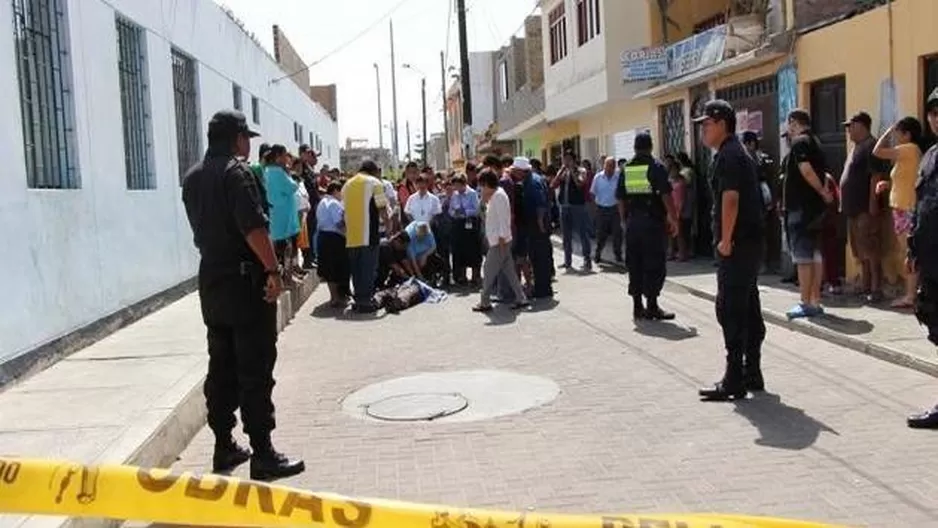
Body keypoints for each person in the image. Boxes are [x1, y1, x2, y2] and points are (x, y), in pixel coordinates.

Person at [181, 110, 304, 480]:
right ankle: (263, 453)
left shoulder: (193, 178)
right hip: (245, 282)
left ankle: (223, 445)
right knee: (254, 367)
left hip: (212, 281)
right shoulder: (239, 173)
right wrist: (271, 270)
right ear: (237, 139)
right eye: (245, 138)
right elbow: (253, 228)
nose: (248, 145)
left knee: (221, 366)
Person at [693, 100, 767, 401]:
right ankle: (752, 372)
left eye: (706, 125)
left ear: (722, 123)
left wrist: (725, 239)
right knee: (748, 307)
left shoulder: (729, 155)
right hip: (749, 243)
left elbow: (731, 199)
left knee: (731, 309)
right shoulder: (736, 152)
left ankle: (735, 377)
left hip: (737, 246)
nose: (702, 131)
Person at [617, 133, 679, 320]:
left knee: (635, 263)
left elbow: (620, 198)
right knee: (654, 262)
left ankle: (637, 306)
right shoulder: (656, 167)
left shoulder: (627, 168)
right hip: (652, 223)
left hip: (633, 223)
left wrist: (623, 220)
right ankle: (651, 305)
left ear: (635, 148)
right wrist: (673, 219)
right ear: (651, 147)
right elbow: (666, 196)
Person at [904, 88, 938, 428]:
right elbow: (921, 205)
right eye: (934, 112)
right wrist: (913, 248)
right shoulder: (930, 156)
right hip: (931, 259)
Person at [783, 109, 834, 319]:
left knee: (803, 257)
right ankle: (815, 300)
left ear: (794, 122)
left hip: (801, 207)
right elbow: (825, 173)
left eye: (789, 124)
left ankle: (805, 302)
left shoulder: (800, 142)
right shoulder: (816, 142)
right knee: (814, 254)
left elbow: (806, 170)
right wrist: (824, 193)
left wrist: (822, 191)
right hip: (814, 208)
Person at [873, 116, 925, 308]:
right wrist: (888, 184)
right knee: (907, 251)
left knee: (909, 252)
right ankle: (912, 292)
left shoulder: (909, 149)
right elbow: (907, 179)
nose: (895, 136)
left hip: (906, 207)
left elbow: (877, 151)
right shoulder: (908, 153)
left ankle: (911, 295)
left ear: (907, 134)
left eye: (898, 133)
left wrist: (886, 131)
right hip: (903, 206)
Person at [841, 111, 890, 303]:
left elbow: (875, 176)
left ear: (861, 126)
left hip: (865, 208)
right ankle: (865, 283)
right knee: (859, 248)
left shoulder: (871, 146)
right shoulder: (856, 147)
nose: (848, 131)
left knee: (871, 246)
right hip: (852, 208)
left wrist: (872, 204)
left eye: (850, 126)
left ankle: (876, 286)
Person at [474, 168, 530, 312]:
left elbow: (503, 221)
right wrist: (483, 200)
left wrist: (501, 242)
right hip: (500, 241)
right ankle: (521, 297)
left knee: (488, 270)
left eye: (482, 186)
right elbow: (486, 216)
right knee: (510, 271)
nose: (481, 189)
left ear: (487, 184)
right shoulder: (494, 197)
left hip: (500, 242)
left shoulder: (499, 196)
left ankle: (484, 301)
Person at [342, 160, 389, 313]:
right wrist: (388, 226)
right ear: (374, 171)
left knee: (356, 269)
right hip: (369, 234)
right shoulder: (375, 183)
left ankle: (358, 298)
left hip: (351, 235)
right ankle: (366, 300)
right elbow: (382, 208)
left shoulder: (347, 184)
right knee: (369, 268)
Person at [516, 157, 554, 299]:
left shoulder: (533, 182)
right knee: (537, 257)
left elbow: (540, 204)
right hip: (535, 225)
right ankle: (541, 287)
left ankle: (543, 289)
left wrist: (539, 222)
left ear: (522, 171)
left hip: (537, 226)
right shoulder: (533, 179)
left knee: (540, 258)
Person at [742, 131, 780, 273]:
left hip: (756, 202)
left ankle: (760, 263)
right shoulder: (759, 158)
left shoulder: (752, 159)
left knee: (757, 234)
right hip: (761, 202)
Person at [263, 145, 301, 282]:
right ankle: (287, 278)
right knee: (286, 249)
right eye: (285, 155)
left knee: (278, 249)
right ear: (278, 156)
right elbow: (292, 187)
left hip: (275, 215)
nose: (287, 158)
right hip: (283, 216)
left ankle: (285, 277)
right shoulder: (278, 172)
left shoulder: (266, 171)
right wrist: (290, 174)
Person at [552, 151, 592, 271]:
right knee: (566, 235)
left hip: (578, 207)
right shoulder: (563, 172)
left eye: (569, 159)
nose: (566, 162)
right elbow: (553, 184)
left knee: (582, 233)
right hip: (564, 206)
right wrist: (560, 172)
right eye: (565, 159)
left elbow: (580, 184)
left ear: (574, 160)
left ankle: (587, 259)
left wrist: (573, 171)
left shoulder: (581, 171)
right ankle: (567, 261)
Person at [316, 181, 349, 307]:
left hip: (323, 237)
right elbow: (339, 223)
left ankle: (333, 297)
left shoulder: (322, 203)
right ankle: (337, 298)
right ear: (336, 190)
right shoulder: (334, 203)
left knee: (329, 269)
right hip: (335, 238)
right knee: (337, 267)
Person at [449, 174, 483, 285]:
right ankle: (462, 276)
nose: (457, 189)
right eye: (455, 186)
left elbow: (477, 209)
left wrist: (465, 212)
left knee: (473, 250)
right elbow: (450, 210)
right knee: (460, 251)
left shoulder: (472, 193)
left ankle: (475, 277)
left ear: (463, 184)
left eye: (458, 186)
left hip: (470, 224)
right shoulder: (454, 195)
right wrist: (455, 213)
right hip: (458, 224)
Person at [591, 157, 624, 264]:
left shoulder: (618, 177)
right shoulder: (598, 177)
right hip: (601, 208)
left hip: (615, 209)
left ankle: (618, 255)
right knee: (601, 234)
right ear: (604, 165)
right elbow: (592, 193)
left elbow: (622, 194)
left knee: (617, 233)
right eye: (608, 165)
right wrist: (595, 207)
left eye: (613, 166)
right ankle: (598, 253)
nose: (610, 168)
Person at [297, 145, 320, 269]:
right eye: (308, 153)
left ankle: (310, 258)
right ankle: (307, 259)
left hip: (312, 205)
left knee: (311, 232)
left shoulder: (309, 168)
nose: (310, 155)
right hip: (305, 205)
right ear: (301, 153)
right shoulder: (300, 166)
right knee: (307, 233)